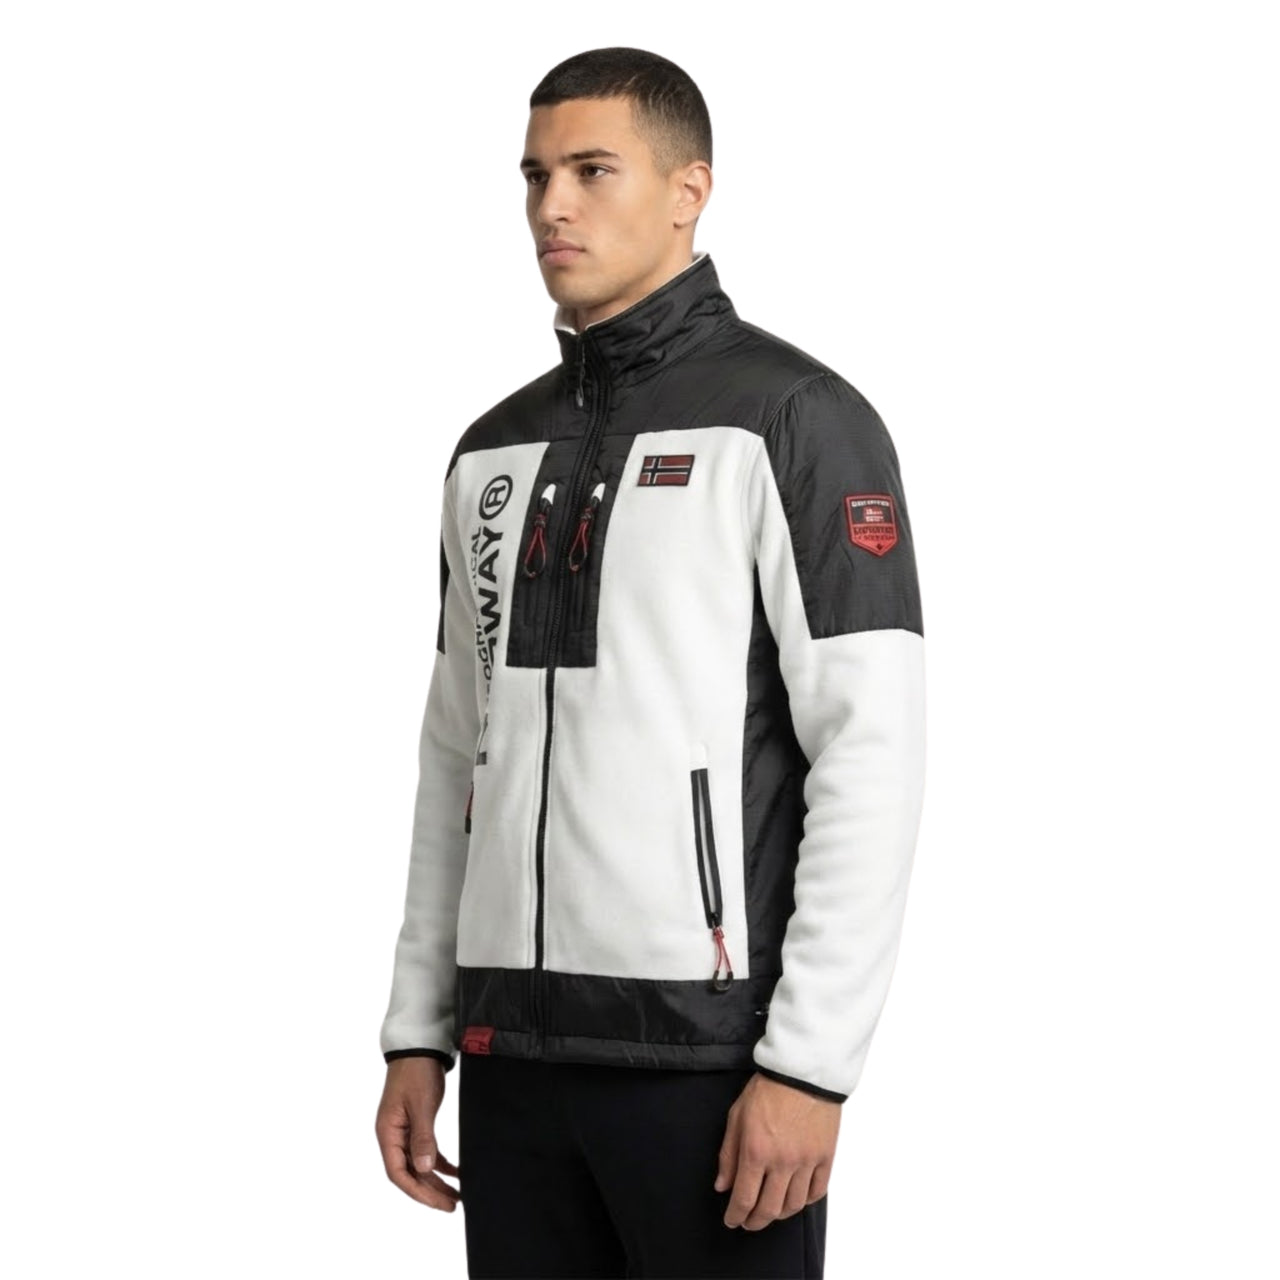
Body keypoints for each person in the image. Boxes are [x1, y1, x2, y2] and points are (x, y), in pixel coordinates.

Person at [374, 45, 926, 1279]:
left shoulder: (793, 421)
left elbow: (872, 751)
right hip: (509, 1059)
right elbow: (456, 755)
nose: (550, 207)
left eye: (590, 170)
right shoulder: (490, 451)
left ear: (688, 190)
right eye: (533, 176)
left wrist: (809, 1065)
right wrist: (418, 1029)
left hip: (706, 1064)